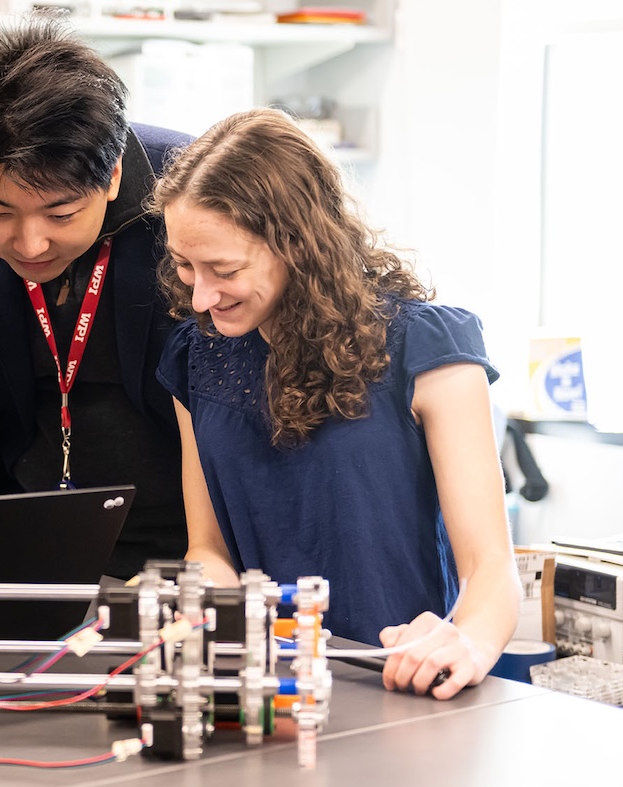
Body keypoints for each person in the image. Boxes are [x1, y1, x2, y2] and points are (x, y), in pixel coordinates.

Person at [152, 107, 519, 699]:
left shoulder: (427, 348)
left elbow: (491, 567)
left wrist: (469, 641)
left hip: (400, 685)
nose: (200, 296)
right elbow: (209, 549)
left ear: (297, 245)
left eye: (224, 269)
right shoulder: (197, 357)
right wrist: (205, 608)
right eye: (184, 265)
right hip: (271, 692)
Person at [0, 18, 191, 579]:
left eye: (61, 214)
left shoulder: (191, 193)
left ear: (112, 177)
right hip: (21, 546)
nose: (29, 244)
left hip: (191, 546)